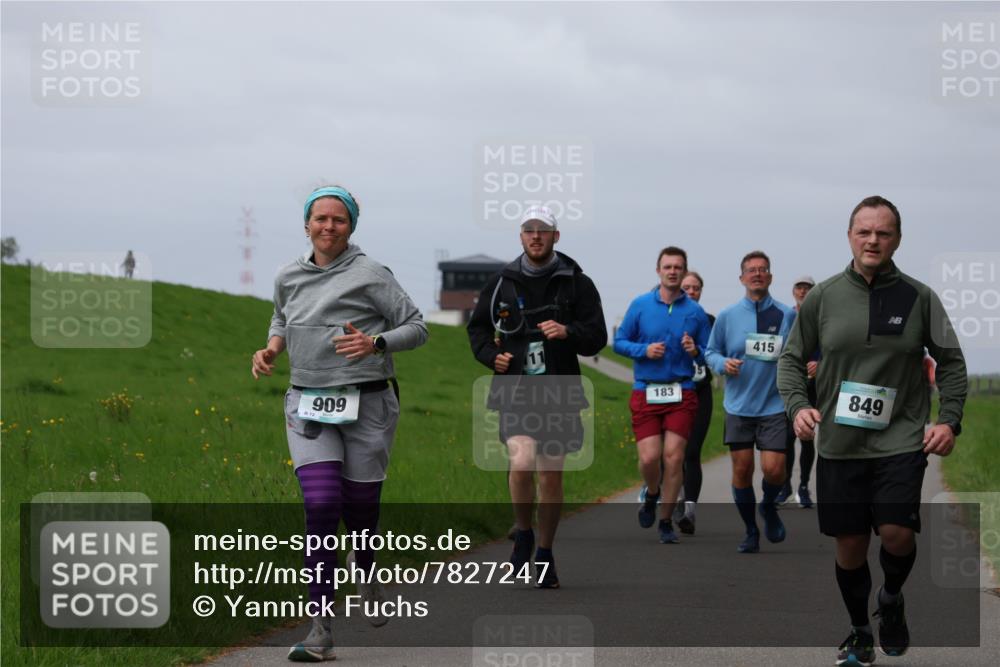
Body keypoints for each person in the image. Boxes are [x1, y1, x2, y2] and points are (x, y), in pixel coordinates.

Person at [778, 195, 967, 665]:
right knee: (851, 545)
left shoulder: (919, 297)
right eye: (864, 231)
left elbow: (952, 364)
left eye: (883, 232)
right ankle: (861, 628)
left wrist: (948, 420)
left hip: (899, 439)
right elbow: (790, 359)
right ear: (849, 236)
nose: (873, 240)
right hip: (841, 444)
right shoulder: (822, 296)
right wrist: (799, 405)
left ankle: (892, 598)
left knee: (897, 532)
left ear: (897, 239)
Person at [251, 185, 429, 662]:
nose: (329, 227)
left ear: (351, 227)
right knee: (323, 505)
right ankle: (320, 630)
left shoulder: (371, 273)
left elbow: (417, 326)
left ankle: (365, 568)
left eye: (339, 220)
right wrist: (271, 347)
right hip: (308, 405)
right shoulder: (288, 274)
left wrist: (377, 344)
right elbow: (281, 318)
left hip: (368, 405)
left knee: (362, 508)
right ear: (306, 224)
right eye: (320, 219)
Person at [467, 205, 606, 588]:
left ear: (556, 236)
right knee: (522, 458)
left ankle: (544, 552)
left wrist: (568, 331)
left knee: (550, 473)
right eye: (528, 229)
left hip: (559, 388)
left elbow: (597, 337)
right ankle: (523, 531)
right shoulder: (500, 283)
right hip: (516, 388)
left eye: (543, 230)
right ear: (521, 236)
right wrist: (492, 357)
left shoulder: (578, 284)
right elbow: (477, 331)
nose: (536, 236)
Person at [613, 248, 711, 544]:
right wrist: (644, 350)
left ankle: (666, 520)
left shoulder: (695, 312)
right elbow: (619, 342)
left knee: (674, 457)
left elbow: (711, 353)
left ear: (684, 272)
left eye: (678, 267)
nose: (672, 271)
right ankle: (652, 493)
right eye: (667, 267)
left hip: (682, 390)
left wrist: (696, 352)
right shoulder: (641, 305)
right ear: (658, 271)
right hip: (646, 389)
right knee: (649, 458)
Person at [705, 251, 796, 553]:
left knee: (774, 470)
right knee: (742, 471)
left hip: (773, 405)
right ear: (742, 277)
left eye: (763, 270)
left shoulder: (786, 315)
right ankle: (750, 531)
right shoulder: (728, 316)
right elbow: (710, 352)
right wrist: (722, 364)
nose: (757, 274)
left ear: (770, 277)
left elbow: (797, 352)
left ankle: (768, 506)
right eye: (751, 270)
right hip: (739, 406)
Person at [676, 270, 716, 533]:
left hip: (700, 392)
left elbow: (716, 355)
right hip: (672, 394)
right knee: (670, 454)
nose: (691, 292)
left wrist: (699, 352)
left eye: (696, 288)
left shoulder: (711, 321)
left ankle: (689, 511)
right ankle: (666, 493)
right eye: (686, 287)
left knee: (691, 452)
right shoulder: (668, 318)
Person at [776, 275, 819, 508]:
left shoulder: (822, 314)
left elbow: (831, 347)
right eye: (799, 288)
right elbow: (783, 348)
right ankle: (785, 486)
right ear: (793, 291)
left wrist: (820, 365)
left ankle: (804, 486)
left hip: (814, 385)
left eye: (807, 288)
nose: (803, 292)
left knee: (807, 438)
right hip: (793, 385)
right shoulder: (789, 316)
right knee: (788, 438)